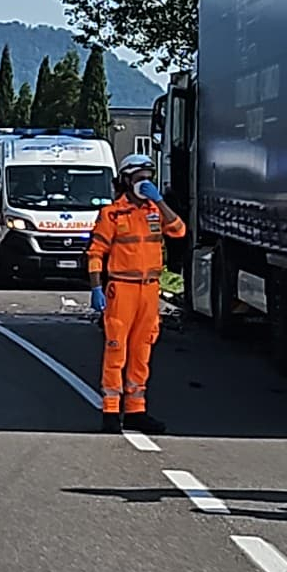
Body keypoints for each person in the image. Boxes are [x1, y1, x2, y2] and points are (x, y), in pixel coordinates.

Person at [86, 152, 187, 433]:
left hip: (149, 290)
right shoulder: (112, 213)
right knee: (116, 349)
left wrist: (160, 201)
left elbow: (179, 230)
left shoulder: (155, 210)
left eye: (148, 177)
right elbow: (95, 253)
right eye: (140, 177)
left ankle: (135, 410)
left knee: (142, 351)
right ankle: (110, 411)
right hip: (122, 289)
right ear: (126, 179)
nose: (145, 182)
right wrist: (96, 287)